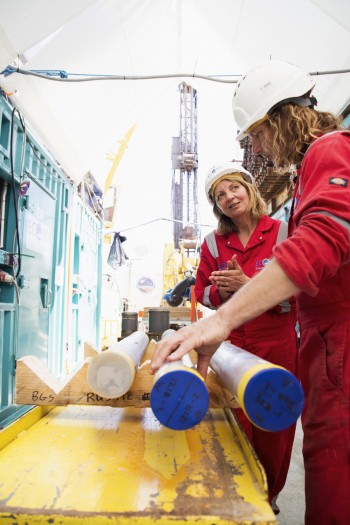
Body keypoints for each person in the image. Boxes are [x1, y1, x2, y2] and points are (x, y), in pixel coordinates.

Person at [150, 60, 350, 525]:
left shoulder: (330, 150)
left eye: (258, 134)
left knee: (334, 479)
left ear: (281, 118)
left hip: (331, 346)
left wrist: (222, 319)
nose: (257, 146)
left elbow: (321, 244)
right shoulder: (299, 181)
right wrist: (218, 313)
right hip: (317, 346)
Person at [195, 161, 298, 512]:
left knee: (275, 425)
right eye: (220, 195)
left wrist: (248, 286)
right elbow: (201, 293)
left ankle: (267, 501)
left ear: (249, 190)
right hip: (234, 345)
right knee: (235, 426)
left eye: (233, 188)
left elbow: (301, 290)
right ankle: (239, 499)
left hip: (278, 343)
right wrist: (223, 294)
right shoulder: (212, 243)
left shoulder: (284, 232)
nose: (228, 198)